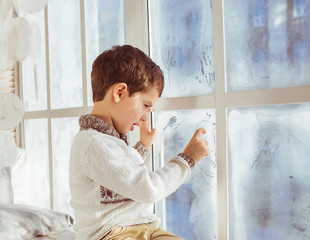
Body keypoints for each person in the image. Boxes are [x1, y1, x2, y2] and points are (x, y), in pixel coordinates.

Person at [69, 45, 209, 240]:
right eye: (145, 106)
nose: (145, 117)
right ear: (119, 92)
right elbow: (146, 188)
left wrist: (142, 147)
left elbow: (120, 171)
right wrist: (187, 159)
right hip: (110, 234)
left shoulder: (108, 141)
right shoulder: (92, 144)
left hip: (146, 228)